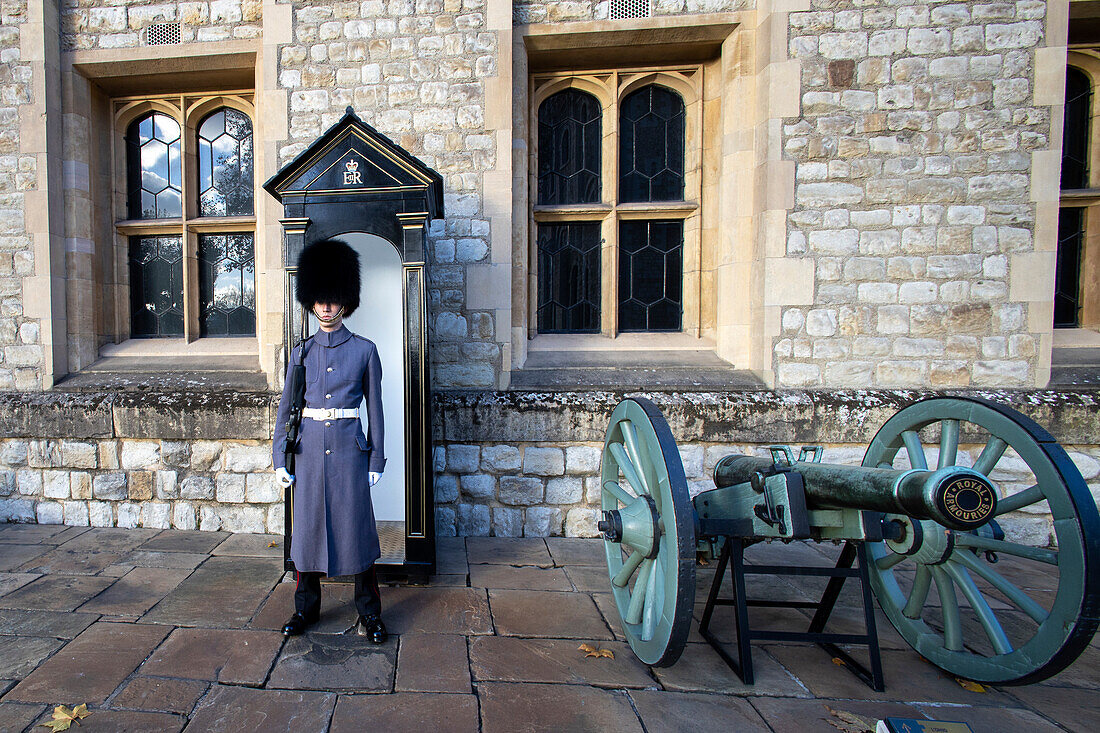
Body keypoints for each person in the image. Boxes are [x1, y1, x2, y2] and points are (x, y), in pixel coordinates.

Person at [272, 238, 388, 643]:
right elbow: (288, 408)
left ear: (345, 302)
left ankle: (370, 613)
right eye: (319, 298)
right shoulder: (302, 353)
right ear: (311, 301)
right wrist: (278, 458)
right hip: (307, 455)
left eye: (332, 298)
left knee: (358, 532)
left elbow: (376, 410)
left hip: (349, 455)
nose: (325, 306)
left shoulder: (365, 351)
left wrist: (376, 461)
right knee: (305, 534)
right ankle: (305, 608)